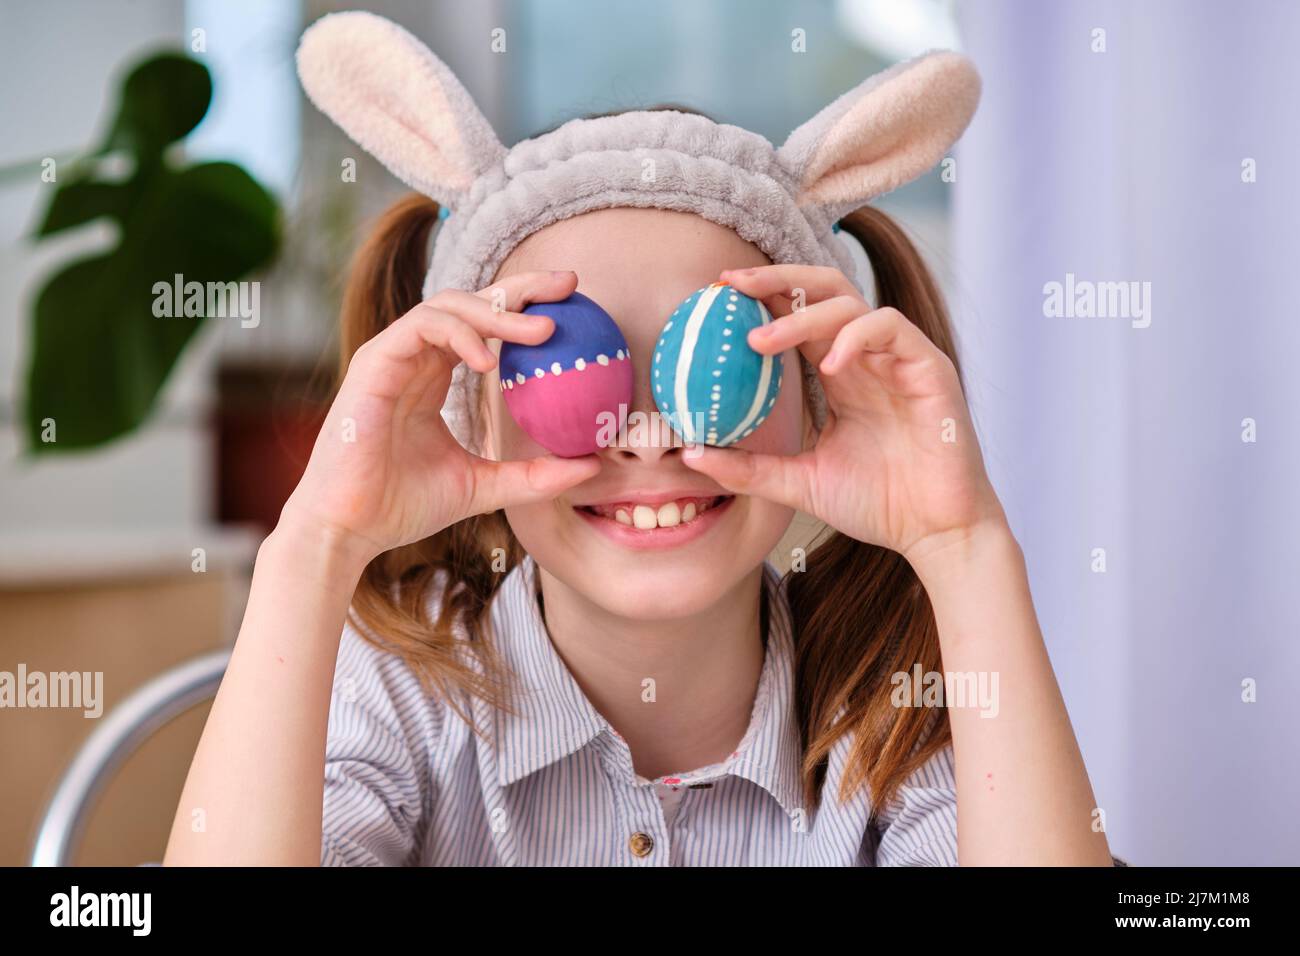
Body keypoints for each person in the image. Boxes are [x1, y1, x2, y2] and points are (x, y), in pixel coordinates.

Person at [164, 11, 1117, 866]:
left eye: (714, 360)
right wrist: (316, 546)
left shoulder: (890, 700)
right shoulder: (405, 689)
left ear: (816, 399)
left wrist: (965, 548)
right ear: (475, 415)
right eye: (577, 367)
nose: (648, 435)